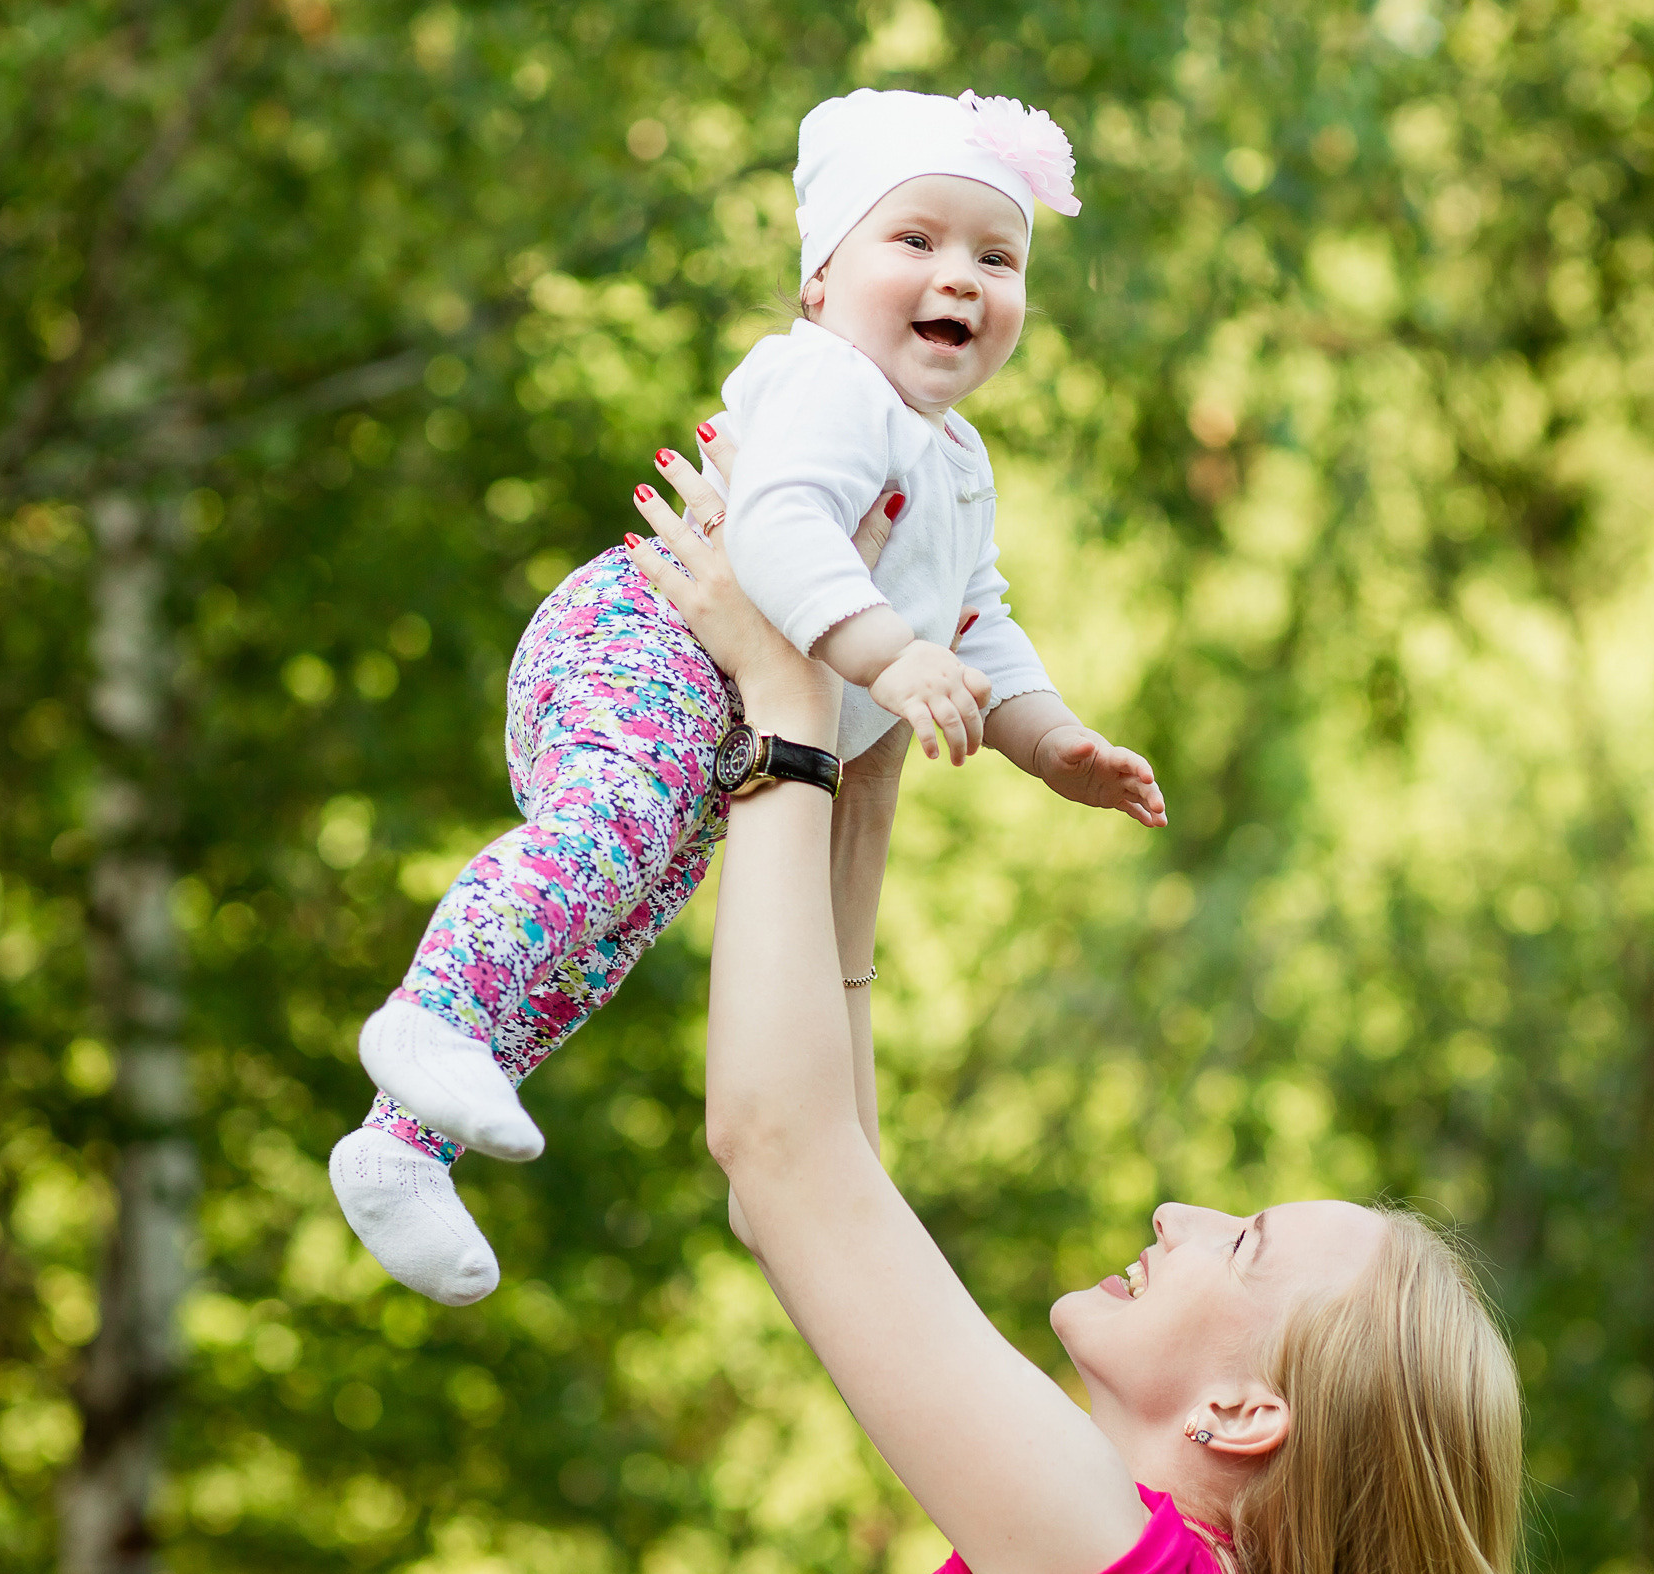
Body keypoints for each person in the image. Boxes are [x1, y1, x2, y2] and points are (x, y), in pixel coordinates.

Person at [620, 468, 1590, 1574]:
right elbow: (804, 1190)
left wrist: (787, 705)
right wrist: (860, 781)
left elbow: (778, 1147)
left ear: (1244, 1414)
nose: (1177, 1216)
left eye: (1242, 1247)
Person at [331, 87, 1164, 1305]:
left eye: (997, 256)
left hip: (716, 726)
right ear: (820, 280)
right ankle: (434, 1010)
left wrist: (1050, 743)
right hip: (643, 641)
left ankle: (402, 1149)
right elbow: (775, 531)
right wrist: (884, 657)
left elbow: (979, 620)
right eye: (916, 241)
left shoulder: (955, 461)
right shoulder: (831, 384)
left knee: (605, 931)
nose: (963, 277)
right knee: (609, 836)